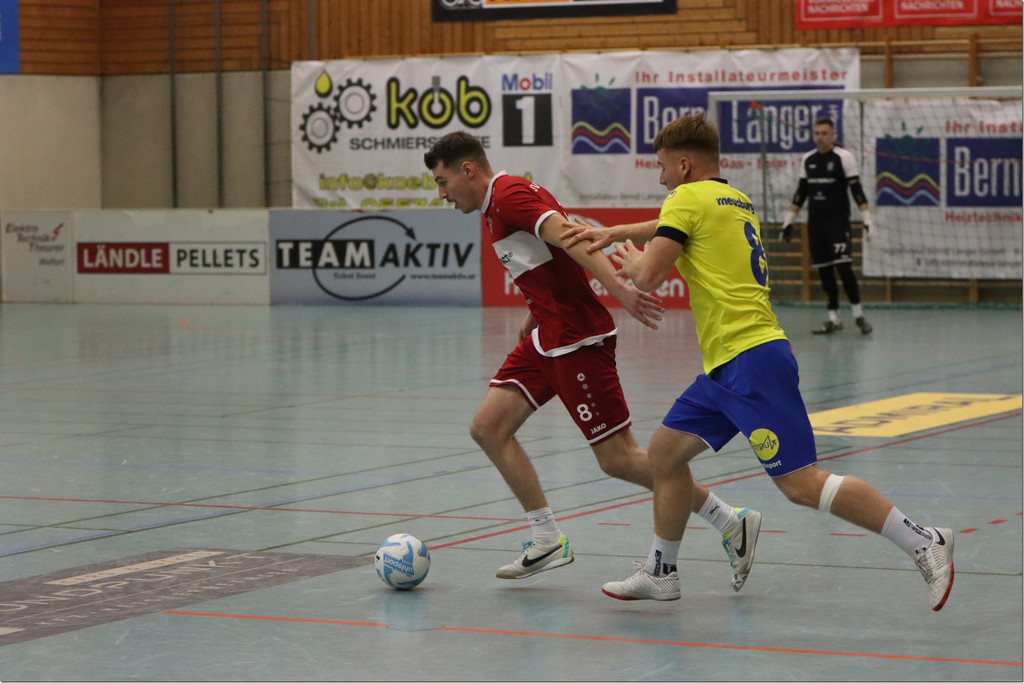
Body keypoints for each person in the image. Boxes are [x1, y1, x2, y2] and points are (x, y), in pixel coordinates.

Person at [561, 112, 954, 611]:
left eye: (662, 167)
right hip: (728, 366)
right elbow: (671, 222)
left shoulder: (685, 200)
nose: (660, 178)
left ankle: (923, 540)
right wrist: (617, 230)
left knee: (801, 485)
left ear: (684, 165)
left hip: (750, 359)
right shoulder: (732, 199)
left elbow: (650, 276)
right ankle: (662, 570)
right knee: (663, 456)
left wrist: (632, 262)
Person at [424, 131, 763, 591]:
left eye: (443, 182)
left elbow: (572, 239)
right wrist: (536, 306)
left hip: (577, 340)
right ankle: (547, 537)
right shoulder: (499, 201)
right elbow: (549, 256)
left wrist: (619, 288)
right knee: (488, 428)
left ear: (468, 170)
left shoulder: (508, 197)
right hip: (547, 336)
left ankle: (730, 521)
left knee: (619, 459)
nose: (442, 195)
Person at [780, 116, 874, 335]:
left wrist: (867, 219)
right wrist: (788, 221)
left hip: (838, 221)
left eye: (824, 133)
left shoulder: (844, 158)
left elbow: (857, 191)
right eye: (817, 133)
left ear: (833, 135)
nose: (820, 137)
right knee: (825, 271)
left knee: (844, 267)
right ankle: (833, 318)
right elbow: (801, 193)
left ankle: (859, 315)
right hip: (816, 223)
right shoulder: (808, 159)